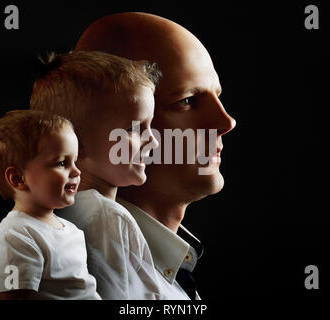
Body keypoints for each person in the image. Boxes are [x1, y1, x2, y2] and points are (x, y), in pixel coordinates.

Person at [73, 12, 236, 299]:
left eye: (217, 95)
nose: (225, 122)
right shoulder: (88, 269)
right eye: (186, 101)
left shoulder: (164, 268)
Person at [30, 51, 163, 299]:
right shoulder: (104, 217)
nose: (152, 140)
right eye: (134, 128)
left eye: (150, 125)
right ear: (76, 144)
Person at [0, 110, 101, 300]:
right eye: (62, 163)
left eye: (75, 161)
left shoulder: (70, 229)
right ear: (18, 178)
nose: (77, 171)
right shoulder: (14, 238)